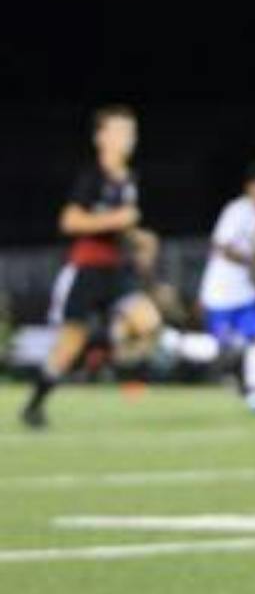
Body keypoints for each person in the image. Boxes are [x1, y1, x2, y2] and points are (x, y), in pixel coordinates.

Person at [21, 105, 145, 430]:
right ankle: (34, 405)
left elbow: (124, 228)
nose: (127, 138)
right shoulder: (92, 177)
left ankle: (107, 350)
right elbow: (70, 221)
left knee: (148, 322)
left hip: (116, 271)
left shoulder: (129, 179)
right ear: (100, 137)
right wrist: (117, 220)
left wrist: (138, 237)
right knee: (68, 347)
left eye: (130, 131)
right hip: (86, 269)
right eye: (119, 131)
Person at [199, 161, 255, 416]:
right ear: (251, 187)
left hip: (247, 295)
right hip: (222, 295)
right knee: (221, 349)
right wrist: (254, 264)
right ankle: (170, 342)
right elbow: (221, 245)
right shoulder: (238, 210)